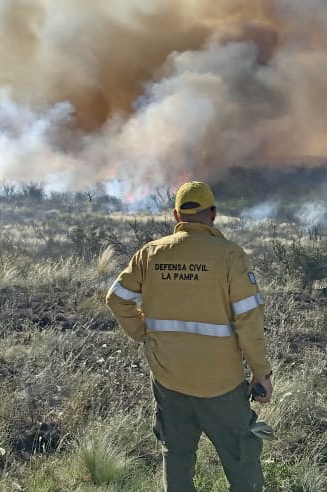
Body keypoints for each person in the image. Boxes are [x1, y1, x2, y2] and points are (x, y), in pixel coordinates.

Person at [105, 181, 273, 492]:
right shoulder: (229, 256)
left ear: (176, 215)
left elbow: (116, 298)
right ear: (213, 214)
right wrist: (260, 373)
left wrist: (142, 331)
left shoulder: (150, 253)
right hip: (220, 384)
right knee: (242, 457)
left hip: (168, 379)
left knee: (177, 457)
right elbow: (249, 321)